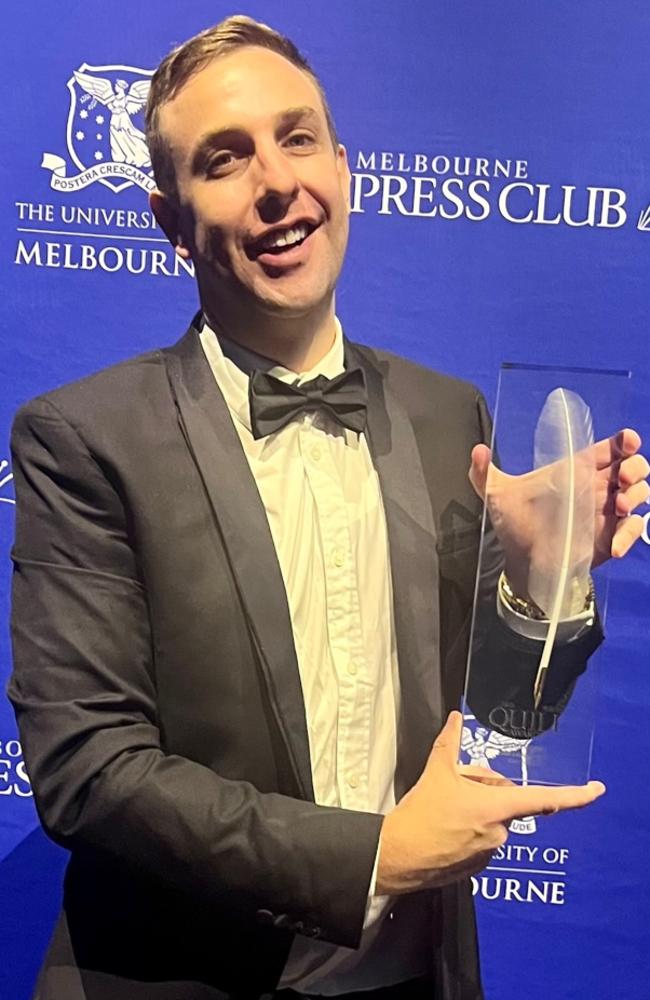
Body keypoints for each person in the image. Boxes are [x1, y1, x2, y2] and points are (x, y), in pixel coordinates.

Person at [8, 15, 649, 1000]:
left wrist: (539, 578)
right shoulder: (84, 437)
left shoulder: (448, 416)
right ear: (169, 220)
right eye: (224, 159)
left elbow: (516, 712)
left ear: (343, 169)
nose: (275, 182)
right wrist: (373, 856)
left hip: (414, 975)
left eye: (296, 137)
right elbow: (87, 769)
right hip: (187, 979)